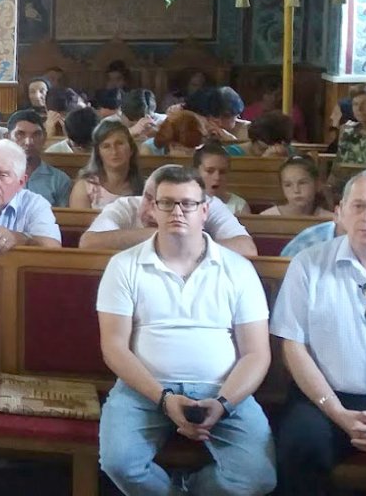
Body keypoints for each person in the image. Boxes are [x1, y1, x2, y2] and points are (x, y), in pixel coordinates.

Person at [96, 165, 275, 496]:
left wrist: (223, 402)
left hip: (222, 389)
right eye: (167, 203)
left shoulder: (239, 269)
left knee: (257, 478)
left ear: (204, 210)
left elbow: (256, 353)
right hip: (144, 390)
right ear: (152, 208)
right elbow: (114, 347)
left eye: (188, 204)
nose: (178, 211)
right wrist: (163, 399)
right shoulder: (124, 265)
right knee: (120, 464)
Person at [269, 168, 366, 495]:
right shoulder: (308, 264)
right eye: (358, 206)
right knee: (300, 444)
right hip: (325, 399)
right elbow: (293, 346)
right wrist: (338, 412)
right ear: (340, 211)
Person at [79, 166, 259, 257]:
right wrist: (164, 236)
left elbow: (247, 249)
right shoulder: (125, 206)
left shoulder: (205, 203)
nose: (152, 210)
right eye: (149, 198)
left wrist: (183, 243)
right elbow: (89, 243)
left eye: (167, 203)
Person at [71, 117, 143, 209]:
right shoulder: (84, 188)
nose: (114, 151)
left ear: (131, 149)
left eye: (119, 143)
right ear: (98, 153)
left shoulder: (145, 187)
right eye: (106, 146)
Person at [7, 109, 72, 207]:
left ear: (45, 137)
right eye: (20, 134)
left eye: (36, 135)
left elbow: (65, 219)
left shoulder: (59, 180)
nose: (29, 142)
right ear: (8, 138)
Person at [241, 75, 307, 142]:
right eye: (269, 94)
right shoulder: (250, 112)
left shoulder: (293, 111)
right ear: (262, 94)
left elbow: (302, 140)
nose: (275, 98)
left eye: (279, 94)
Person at [262, 156, 332, 218]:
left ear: (317, 185)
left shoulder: (331, 220)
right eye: (288, 185)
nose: (296, 190)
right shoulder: (267, 217)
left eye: (302, 183)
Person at [195, 143, 249, 215]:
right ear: (196, 172)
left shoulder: (238, 206)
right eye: (210, 171)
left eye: (222, 172)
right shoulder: (183, 201)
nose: (217, 177)